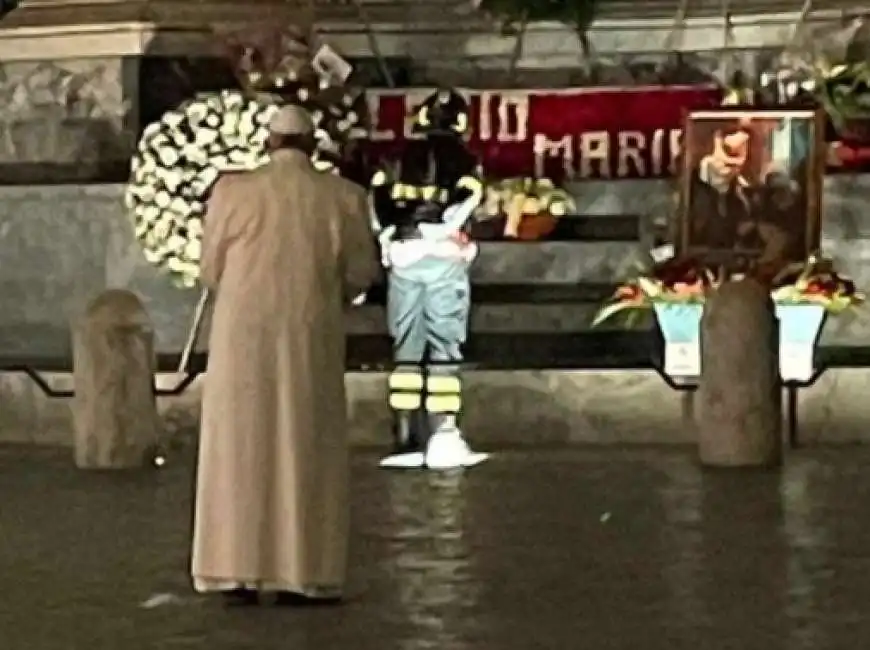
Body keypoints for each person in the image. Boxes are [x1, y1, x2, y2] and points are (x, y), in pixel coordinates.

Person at [190, 104, 379, 607]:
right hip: (308, 332)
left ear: (269, 143)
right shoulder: (344, 197)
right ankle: (303, 568)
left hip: (241, 338)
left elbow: (210, 270)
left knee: (239, 444)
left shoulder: (232, 192)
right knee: (305, 441)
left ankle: (233, 566)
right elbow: (362, 274)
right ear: (314, 145)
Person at [369, 88, 489, 470]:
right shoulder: (464, 160)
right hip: (444, 260)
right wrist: (439, 232)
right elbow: (465, 202)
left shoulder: (393, 158)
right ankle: (444, 433)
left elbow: (376, 201)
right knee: (444, 348)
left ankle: (405, 437)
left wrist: (392, 238)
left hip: (403, 259)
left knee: (405, 345)